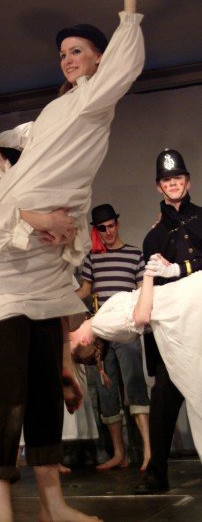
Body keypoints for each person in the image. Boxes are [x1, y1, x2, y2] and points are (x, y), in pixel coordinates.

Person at [0, 0, 157, 522]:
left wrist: (129, 7)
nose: (67, 59)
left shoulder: (45, 127)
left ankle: (52, 503)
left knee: (42, 392)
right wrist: (41, 219)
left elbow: (41, 135)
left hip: (38, 279)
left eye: (77, 51)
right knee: (6, 395)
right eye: (63, 53)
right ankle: (0, 505)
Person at [69, 256, 202, 464]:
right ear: (85, 341)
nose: (69, 334)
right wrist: (148, 275)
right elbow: (141, 316)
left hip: (169, 302)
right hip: (171, 305)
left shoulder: (100, 320)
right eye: (71, 340)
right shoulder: (101, 324)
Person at [135, 149, 202, 494]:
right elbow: (153, 290)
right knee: (163, 397)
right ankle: (156, 473)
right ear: (159, 186)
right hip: (174, 333)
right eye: (166, 179)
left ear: (187, 181)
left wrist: (182, 268)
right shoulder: (154, 236)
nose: (173, 183)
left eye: (178, 178)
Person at [75, 204, 150, 471]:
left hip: (127, 330)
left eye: (110, 226)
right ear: (96, 230)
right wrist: (58, 300)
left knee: (135, 386)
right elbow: (85, 291)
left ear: (117, 224)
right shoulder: (93, 259)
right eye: (102, 228)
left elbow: (142, 292)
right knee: (107, 393)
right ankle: (120, 454)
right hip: (102, 335)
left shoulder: (134, 255)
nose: (108, 232)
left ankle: (148, 451)